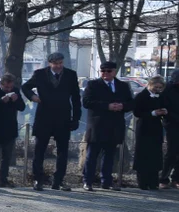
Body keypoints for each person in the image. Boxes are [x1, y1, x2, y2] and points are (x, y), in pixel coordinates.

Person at [22, 52, 81, 191]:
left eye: (60, 63)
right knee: (39, 150)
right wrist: (33, 96)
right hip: (44, 116)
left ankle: (58, 181)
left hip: (63, 116)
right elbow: (25, 87)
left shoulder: (71, 75)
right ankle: (38, 180)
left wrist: (76, 118)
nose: (58, 66)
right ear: (50, 63)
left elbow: (76, 98)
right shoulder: (40, 74)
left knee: (63, 151)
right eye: (55, 64)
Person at [81, 61, 134, 191]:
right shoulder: (93, 85)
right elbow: (87, 102)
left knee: (110, 155)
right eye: (102, 71)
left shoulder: (123, 86)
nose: (105, 73)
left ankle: (107, 181)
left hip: (115, 125)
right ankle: (88, 181)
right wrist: (107, 106)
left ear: (114, 71)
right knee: (92, 155)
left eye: (108, 71)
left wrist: (122, 106)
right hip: (98, 125)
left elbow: (131, 103)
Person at [0, 73, 25, 187]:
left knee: (6, 156)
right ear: (1, 84)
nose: (9, 89)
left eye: (10, 87)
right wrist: (0, 101)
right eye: (6, 87)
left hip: (10, 129)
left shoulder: (15, 91)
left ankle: (3, 179)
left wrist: (16, 100)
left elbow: (22, 107)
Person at [134, 76, 169, 190]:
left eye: (160, 87)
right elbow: (137, 112)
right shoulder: (141, 96)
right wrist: (152, 113)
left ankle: (153, 182)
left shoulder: (161, 96)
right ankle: (143, 182)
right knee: (143, 154)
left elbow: (166, 106)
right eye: (155, 87)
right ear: (149, 85)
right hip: (144, 128)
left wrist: (164, 111)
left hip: (156, 128)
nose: (157, 89)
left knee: (155, 155)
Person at [161, 68, 179, 189]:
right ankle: (164, 178)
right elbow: (167, 109)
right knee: (172, 152)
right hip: (173, 125)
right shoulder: (169, 90)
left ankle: (178, 178)